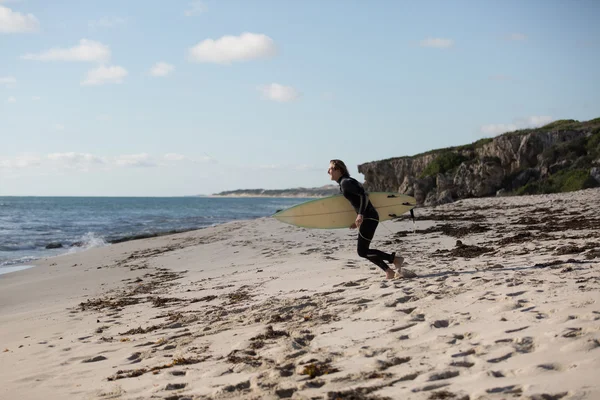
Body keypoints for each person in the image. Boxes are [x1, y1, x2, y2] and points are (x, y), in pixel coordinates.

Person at [328, 159, 410, 280]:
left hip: (369, 217)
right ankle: (389, 271)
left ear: (338, 169)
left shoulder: (346, 182)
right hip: (368, 217)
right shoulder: (345, 182)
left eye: (330, 168)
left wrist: (360, 214)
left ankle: (394, 259)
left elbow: (364, 196)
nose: (328, 171)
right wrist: (358, 219)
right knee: (364, 251)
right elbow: (358, 200)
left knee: (362, 251)